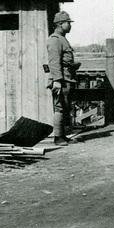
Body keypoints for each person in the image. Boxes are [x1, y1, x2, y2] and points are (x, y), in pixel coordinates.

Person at [47, 11, 80, 146]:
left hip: (67, 78)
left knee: (64, 107)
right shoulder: (55, 39)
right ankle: (58, 138)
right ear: (60, 24)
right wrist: (57, 81)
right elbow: (54, 62)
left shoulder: (62, 38)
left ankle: (63, 135)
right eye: (68, 23)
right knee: (59, 107)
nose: (70, 25)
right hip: (61, 80)